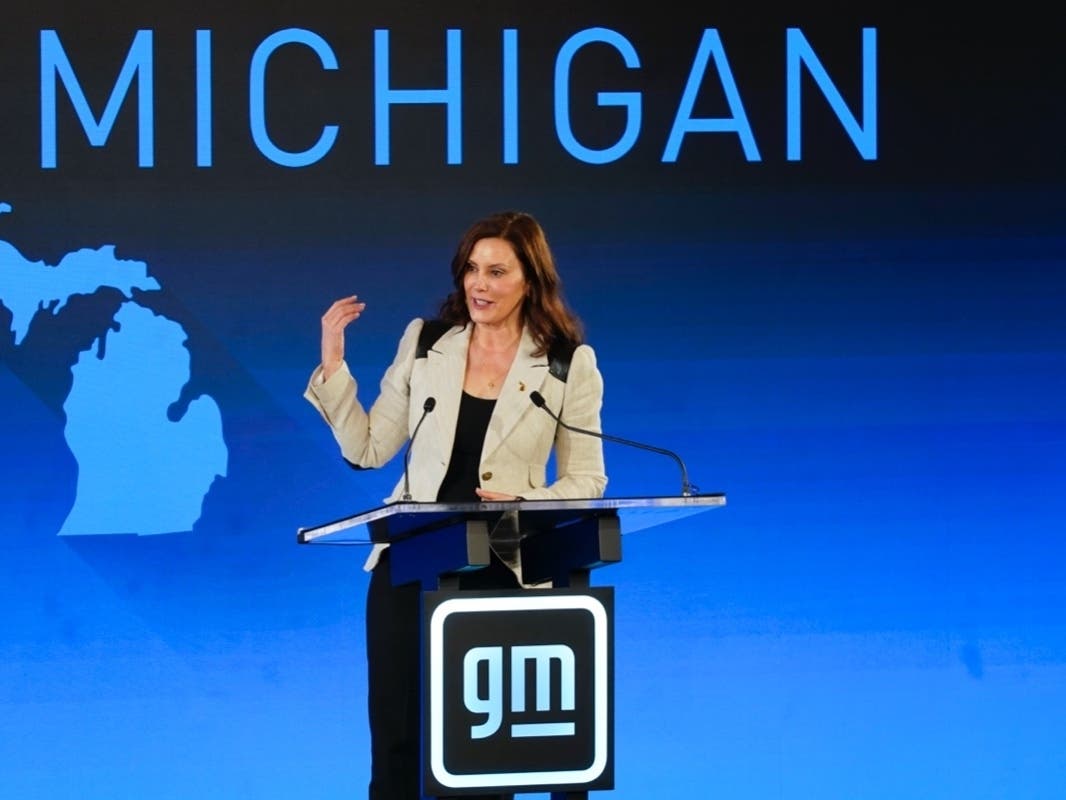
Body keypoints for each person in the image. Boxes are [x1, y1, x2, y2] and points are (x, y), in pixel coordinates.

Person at [304, 210, 607, 800]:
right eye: (472, 269)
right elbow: (368, 449)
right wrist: (335, 368)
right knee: (395, 740)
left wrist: (529, 499)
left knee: (481, 760)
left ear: (530, 281)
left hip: (507, 568)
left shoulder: (569, 363)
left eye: (497, 271)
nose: (479, 284)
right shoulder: (426, 344)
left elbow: (587, 479)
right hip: (412, 563)